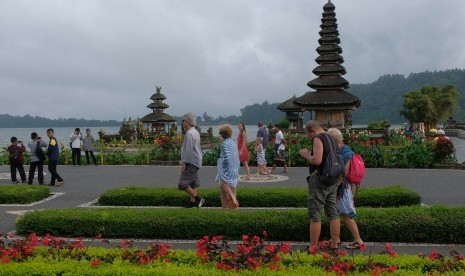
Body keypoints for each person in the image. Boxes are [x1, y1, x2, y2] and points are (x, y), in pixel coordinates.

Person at [298, 120, 340, 252]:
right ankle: (334, 244)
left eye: (309, 135)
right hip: (332, 178)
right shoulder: (332, 138)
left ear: (313, 131)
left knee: (315, 214)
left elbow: (317, 160)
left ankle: (313, 247)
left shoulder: (318, 138)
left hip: (320, 179)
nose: (310, 138)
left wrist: (306, 155)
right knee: (333, 213)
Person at [327, 128, 364, 250]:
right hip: (343, 188)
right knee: (337, 213)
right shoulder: (341, 150)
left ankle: (358, 240)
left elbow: (343, 174)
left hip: (343, 188)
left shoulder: (346, 153)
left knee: (347, 215)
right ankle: (336, 238)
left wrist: (334, 188)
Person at [178, 113, 205, 208]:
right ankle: (192, 203)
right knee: (193, 183)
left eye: (183, 121)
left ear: (188, 122)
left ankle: (198, 199)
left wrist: (184, 163)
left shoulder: (189, 134)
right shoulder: (195, 132)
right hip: (196, 161)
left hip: (191, 162)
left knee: (183, 184)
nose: (182, 123)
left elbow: (188, 151)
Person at [217, 124, 240, 210]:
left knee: (224, 193)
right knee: (232, 192)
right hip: (233, 173)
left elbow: (226, 159)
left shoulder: (224, 144)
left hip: (226, 174)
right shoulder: (233, 142)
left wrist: (219, 161)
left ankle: (225, 211)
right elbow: (236, 158)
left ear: (222, 134)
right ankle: (232, 212)